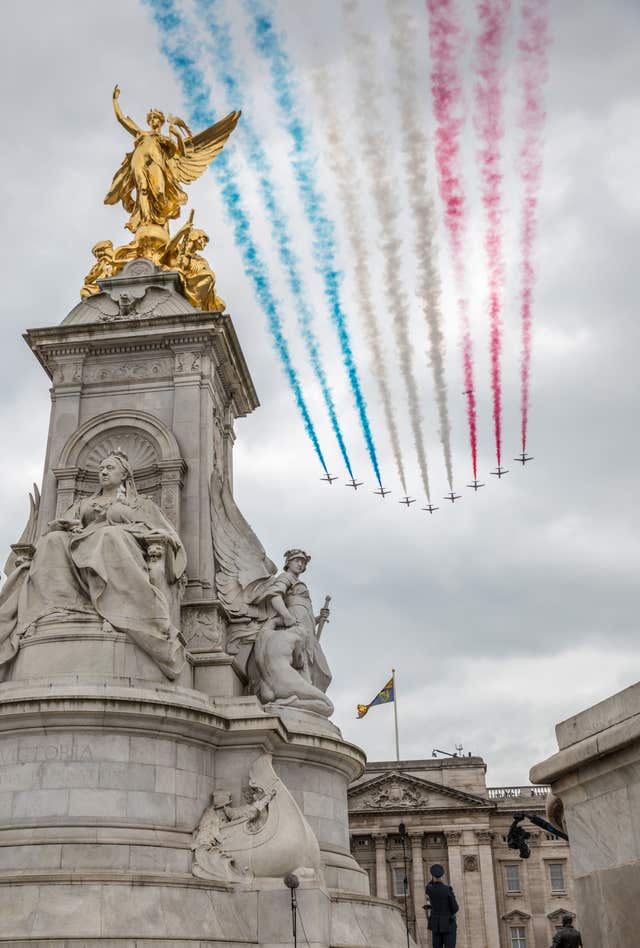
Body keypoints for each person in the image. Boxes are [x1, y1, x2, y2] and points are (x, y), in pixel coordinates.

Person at [0, 451, 186, 679]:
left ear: (124, 474)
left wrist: (122, 526)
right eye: (101, 468)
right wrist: (66, 526)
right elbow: (59, 526)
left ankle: (119, 610)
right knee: (52, 541)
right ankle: (59, 608)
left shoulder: (138, 503)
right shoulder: (85, 503)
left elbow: (164, 533)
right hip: (80, 543)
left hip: (117, 542)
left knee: (109, 537)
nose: (104, 472)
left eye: (109, 468)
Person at [425, 864, 458, 948]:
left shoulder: (429, 889)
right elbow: (455, 908)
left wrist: (433, 879)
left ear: (432, 876)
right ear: (442, 876)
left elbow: (429, 885)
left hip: (436, 925)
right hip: (448, 925)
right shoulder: (447, 890)